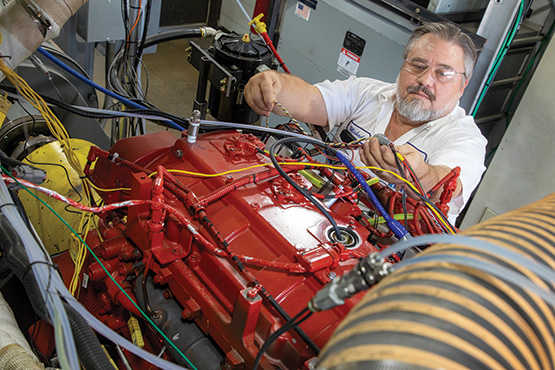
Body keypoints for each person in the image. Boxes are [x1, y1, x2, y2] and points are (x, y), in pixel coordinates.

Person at [244, 22, 487, 222]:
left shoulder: (466, 139)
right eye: (418, 65)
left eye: (443, 74)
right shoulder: (367, 92)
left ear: (462, 85)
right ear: (403, 66)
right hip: (323, 217)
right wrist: (274, 85)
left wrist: (417, 176)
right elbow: (310, 100)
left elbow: (446, 185)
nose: (425, 80)